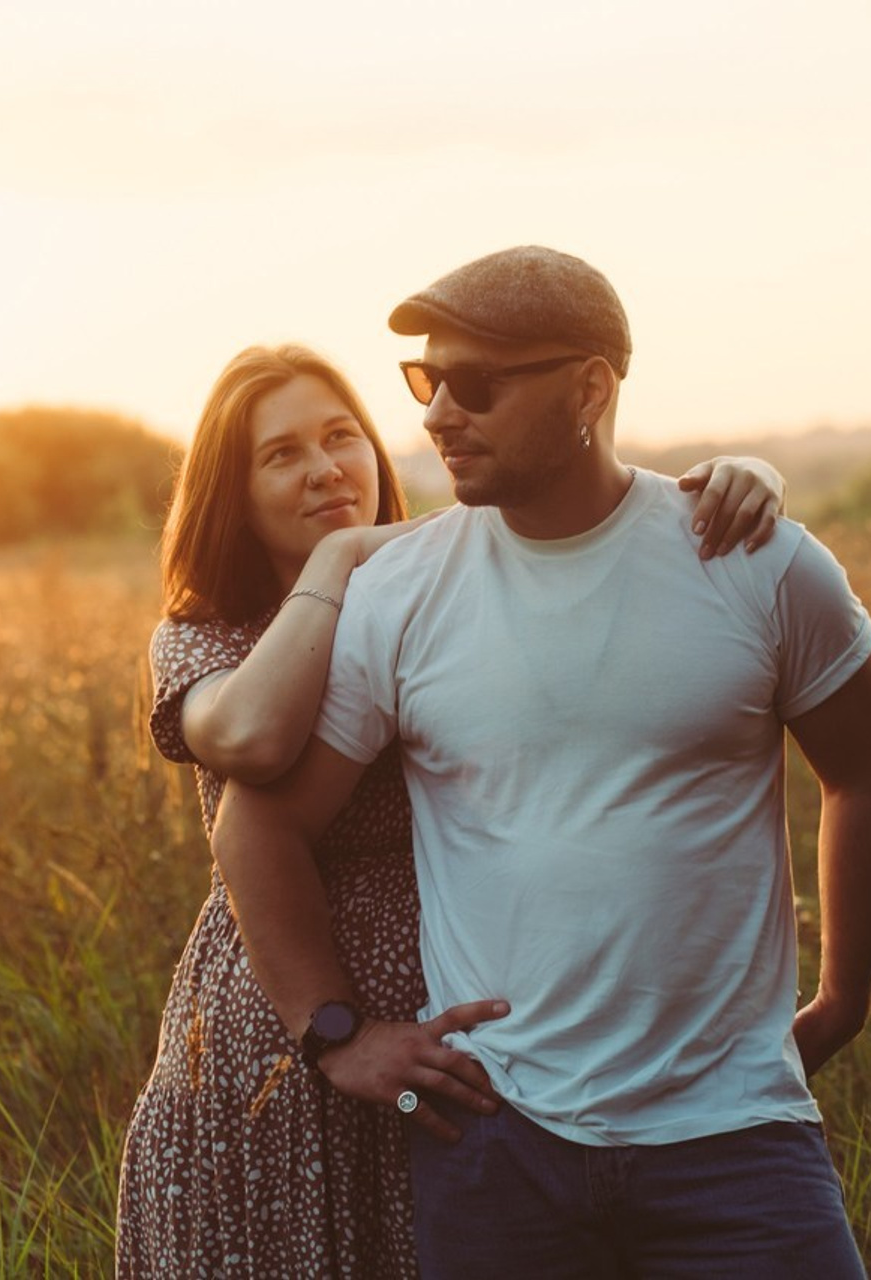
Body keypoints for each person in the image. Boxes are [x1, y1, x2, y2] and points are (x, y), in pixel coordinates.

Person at [211, 247, 871, 1278]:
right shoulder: (402, 590)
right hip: (497, 1141)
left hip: (734, 1136)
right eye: (424, 383)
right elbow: (258, 820)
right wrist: (335, 1033)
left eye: (475, 384)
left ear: (589, 387)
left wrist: (842, 998)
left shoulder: (757, 562)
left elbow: (857, 770)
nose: (435, 417)